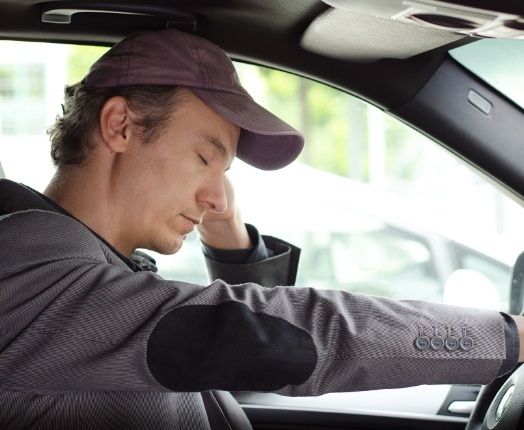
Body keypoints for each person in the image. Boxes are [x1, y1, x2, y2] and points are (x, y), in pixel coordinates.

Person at [0, 28, 522, 429]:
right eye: (205, 156)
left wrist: (221, 218)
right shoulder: (23, 275)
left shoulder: (88, 269)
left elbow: (238, 359)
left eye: (225, 172)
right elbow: (260, 336)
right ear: (121, 126)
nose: (219, 195)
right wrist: (511, 337)